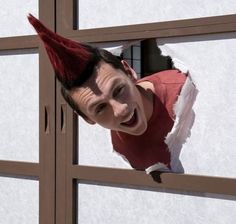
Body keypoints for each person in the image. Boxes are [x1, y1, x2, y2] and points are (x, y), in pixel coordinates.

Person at [28, 14, 188, 175]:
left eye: (118, 90)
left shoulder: (185, 92)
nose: (121, 110)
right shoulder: (102, 151)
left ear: (130, 72)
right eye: (100, 107)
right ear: (86, 117)